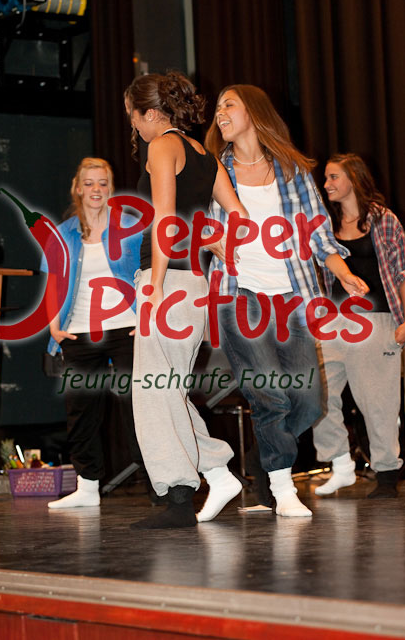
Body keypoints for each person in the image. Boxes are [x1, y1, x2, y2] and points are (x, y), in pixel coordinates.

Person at [205, 85, 368, 517]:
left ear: (254, 112)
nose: (220, 112)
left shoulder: (292, 170)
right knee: (270, 396)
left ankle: (264, 461)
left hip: (291, 298)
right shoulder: (214, 168)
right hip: (238, 294)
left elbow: (318, 234)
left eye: (229, 104)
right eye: (218, 106)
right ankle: (282, 488)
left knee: (309, 402)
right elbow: (190, 220)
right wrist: (206, 238)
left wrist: (343, 272)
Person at [124, 71, 249, 529]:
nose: (133, 125)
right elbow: (239, 217)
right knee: (168, 389)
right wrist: (209, 239)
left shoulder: (162, 147)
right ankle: (216, 470)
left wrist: (154, 286)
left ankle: (178, 498)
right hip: (196, 285)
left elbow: (163, 221)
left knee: (152, 392)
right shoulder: (204, 154)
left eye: (133, 115)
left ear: (150, 113)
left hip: (168, 283)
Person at [45, 157, 143, 509]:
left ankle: (160, 485)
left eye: (102, 182)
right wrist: (54, 325)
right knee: (82, 411)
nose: (96, 189)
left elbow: (149, 273)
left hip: (127, 328)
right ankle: (87, 487)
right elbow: (54, 281)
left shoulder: (131, 227)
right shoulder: (63, 233)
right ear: (77, 188)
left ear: (111, 188)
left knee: (140, 408)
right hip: (79, 332)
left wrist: (146, 317)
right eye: (89, 183)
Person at [313, 153, 404, 498]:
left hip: (376, 320)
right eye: (326, 178)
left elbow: (402, 273)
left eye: (333, 177)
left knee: (378, 401)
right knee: (317, 393)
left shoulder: (384, 220)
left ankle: (387, 474)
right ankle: (340, 464)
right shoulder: (326, 227)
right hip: (334, 322)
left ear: (354, 178)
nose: (327, 184)